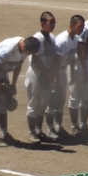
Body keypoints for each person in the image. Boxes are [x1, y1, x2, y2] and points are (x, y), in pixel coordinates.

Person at [0, 35, 41, 147]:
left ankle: (5, 135)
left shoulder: (25, 49)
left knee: (3, 103)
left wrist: (14, 84)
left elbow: (18, 65)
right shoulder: (9, 48)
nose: (29, 55)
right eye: (29, 53)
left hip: (3, 71)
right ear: (24, 47)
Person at [46, 15, 85, 139]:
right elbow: (56, 61)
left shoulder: (75, 38)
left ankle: (59, 127)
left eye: (83, 26)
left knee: (60, 100)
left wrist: (72, 73)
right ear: (72, 25)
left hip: (63, 71)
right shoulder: (63, 40)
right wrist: (56, 79)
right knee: (52, 100)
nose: (81, 29)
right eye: (79, 26)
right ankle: (50, 129)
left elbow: (72, 57)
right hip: (55, 71)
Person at [25, 12, 59, 143]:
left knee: (43, 104)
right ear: (42, 23)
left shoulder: (52, 38)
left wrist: (53, 74)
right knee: (34, 104)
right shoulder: (37, 38)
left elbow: (54, 56)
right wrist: (48, 74)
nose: (53, 25)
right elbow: (37, 60)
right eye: (50, 23)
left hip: (47, 74)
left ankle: (38, 130)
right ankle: (32, 133)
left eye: (54, 22)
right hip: (36, 74)